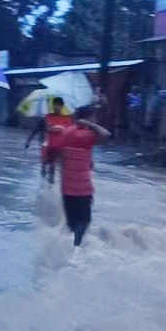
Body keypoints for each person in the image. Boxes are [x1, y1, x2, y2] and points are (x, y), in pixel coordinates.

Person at [56, 105, 111, 248]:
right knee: (84, 221)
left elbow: (59, 156)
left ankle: (68, 248)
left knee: (72, 223)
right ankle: (77, 249)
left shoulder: (65, 132)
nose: (96, 119)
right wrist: (90, 125)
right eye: (94, 117)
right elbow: (106, 135)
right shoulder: (87, 135)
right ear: (88, 117)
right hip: (82, 189)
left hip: (66, 187)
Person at [25, 97, 72, 182]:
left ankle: (51, 183)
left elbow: (70, 133)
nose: (56, 107)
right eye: (55, 105)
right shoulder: (46, 117)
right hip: (46, 145)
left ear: (62, 106)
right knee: (44, 165)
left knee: (54, 166)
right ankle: (42, 183)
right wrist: (28, 141)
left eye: (58, 105)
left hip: (60, 147)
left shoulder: (66, 119)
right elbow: (37, 130)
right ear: (52, 105)